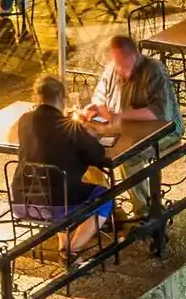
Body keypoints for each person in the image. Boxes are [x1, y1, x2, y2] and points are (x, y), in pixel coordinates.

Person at [11, 75, 114, 256]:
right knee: (105, 196)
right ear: (61, 97)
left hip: (23, 200)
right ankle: (72, 249)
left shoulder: (24, 120)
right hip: (59, 204)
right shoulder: (67, 126)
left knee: (56, 183)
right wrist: (89, 134)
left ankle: (64, 245)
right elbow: (97, 155)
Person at [87, 33, 182, 146]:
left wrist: (120, 115)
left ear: (134, 56)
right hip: (122, 130)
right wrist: (98, 109)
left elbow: (158, 113)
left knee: (127, 154)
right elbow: (99, 97)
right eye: (116, 60)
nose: (118, 67)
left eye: (122, 62)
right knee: (92, 147)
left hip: (163, 133)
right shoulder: (112, 68)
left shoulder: (154, 70)